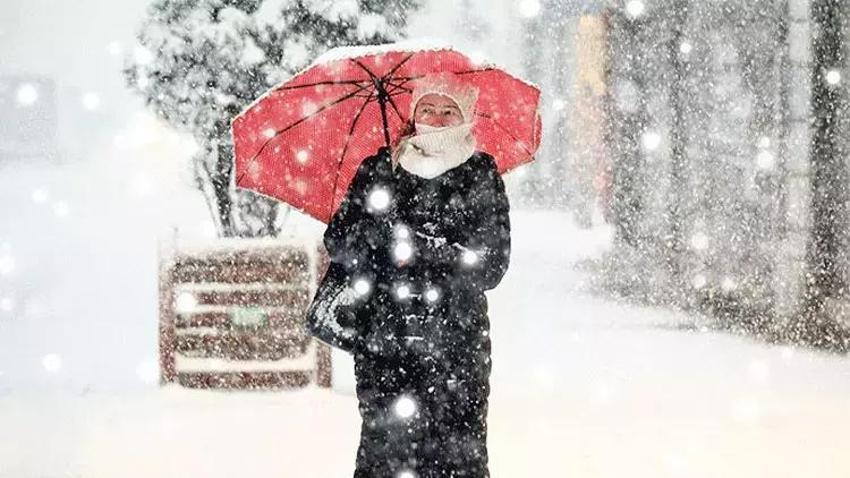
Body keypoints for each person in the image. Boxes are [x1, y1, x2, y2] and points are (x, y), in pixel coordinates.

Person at [322, 72, 511, 478]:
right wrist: (376, 232)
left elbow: (492, 265)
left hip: (456, 347)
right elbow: (338, 242)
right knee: (384, 457)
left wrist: (423, 246)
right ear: (412, 113)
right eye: (428, 108)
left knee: (457, 458)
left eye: (448, 111)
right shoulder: (379, 168)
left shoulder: (480, 173)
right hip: (384, 342)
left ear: (465, 116)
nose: (436, 118)